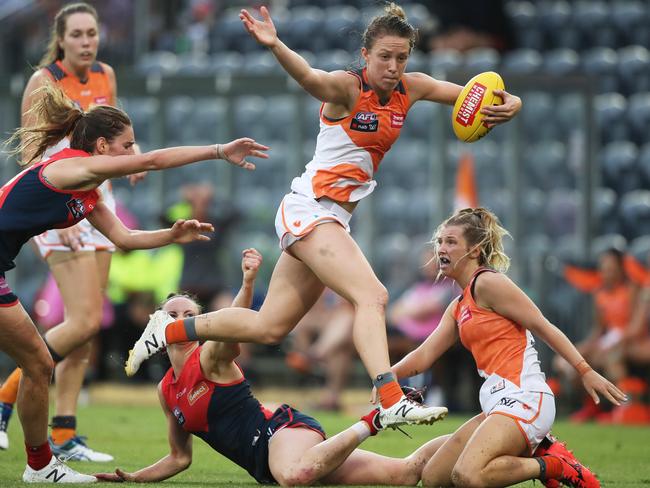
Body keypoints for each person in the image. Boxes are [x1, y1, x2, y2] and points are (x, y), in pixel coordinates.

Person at [125, 2, 522, 429]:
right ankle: (390, 398)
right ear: (366, 55)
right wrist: (276, 44)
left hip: (328, 218)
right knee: (373, 297)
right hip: (309, 210)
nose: (392, 65)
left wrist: (512, 102)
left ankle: (168, 331)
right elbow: (310, 77)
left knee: (269, 328)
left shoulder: (414, 86)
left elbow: (473, 96)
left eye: (401, 57)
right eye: (384, 56)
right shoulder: (346, 89)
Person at [0, 82, 267, 482]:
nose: (134, 153)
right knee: (38, 363)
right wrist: (217, 151)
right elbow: (156, 162)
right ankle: (40, 466)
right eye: (128, 145)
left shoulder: (88, 191)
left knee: (38, 363)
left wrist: (172, 236)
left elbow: (125, 238)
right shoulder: (74, 166)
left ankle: (40, 465)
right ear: (104, 147)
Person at [96, 248, 451, 486]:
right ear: (157, 321)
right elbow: (179, 457)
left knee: (294, 475)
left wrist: (248, 283)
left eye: (190, 316)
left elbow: (233, 326)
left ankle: (375, 420)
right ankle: (483, 433)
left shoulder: (208, 357)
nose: (181, 320)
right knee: (405, 474)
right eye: (172, 315)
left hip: (281, 432)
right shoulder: (166, 390)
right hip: (270, 461)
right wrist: (133, 478)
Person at [389, 207, 627, 488]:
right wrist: (385, 378)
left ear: (475, 250)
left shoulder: (489, 282)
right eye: (440, 241)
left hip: (526, 396)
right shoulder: (457, 306)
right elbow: (424, 355)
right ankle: (540, 451)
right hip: (496, 403)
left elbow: (543, 326)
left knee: (467, 475)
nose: (442, 247)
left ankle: (553, 465)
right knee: (433, 478)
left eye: (451, 241)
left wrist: (585, 370)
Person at [0, 2, 140, 460]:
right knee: (80, 321)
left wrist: (129, 161)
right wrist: (62, 213)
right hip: (57, 202)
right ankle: (4, 401)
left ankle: (64, 433)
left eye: (92, 33)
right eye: (77, 34)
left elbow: (114, 136)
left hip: (98, 200)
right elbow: (30, 154)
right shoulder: (45, 81)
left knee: (87, 328)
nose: (86, 41)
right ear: (60, 40)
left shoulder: (106, 75)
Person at [553, 248, 637, 422]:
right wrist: (580, 349)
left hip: (628, 341)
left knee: (612, 361)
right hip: (607, 341)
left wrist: (610, 345)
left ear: (621, 270)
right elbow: (599, 330)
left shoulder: (631, 290)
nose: (606, 274)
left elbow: (633, 327)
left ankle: (625, 410)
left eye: (611, 270)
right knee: (571, 363)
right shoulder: (599, 294)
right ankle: (592, 406)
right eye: (603, 269)